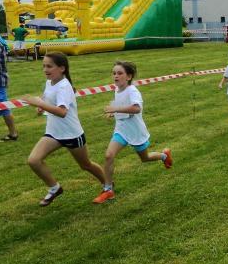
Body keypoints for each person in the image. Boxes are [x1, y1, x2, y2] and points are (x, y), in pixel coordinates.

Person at [21, 52, 107, 206]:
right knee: (34, 160)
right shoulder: (50, 82)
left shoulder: (64, 86)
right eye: (44, 66)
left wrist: (39, 103)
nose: (45, 69)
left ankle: (107, 186)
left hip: (72, 135)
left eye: (49, 66)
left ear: (62, 68)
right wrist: (41, 105)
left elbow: (62, 112)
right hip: (54, 133)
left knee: (85, 165)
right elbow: (48, 97)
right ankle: (55, 188)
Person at [93, 61, 173, 204]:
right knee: (109, 155)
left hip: (135, 131)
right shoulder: (117, 89)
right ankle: (108, 190)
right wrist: (113, 111)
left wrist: (115, 109)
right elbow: (121, 104)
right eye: (114, 73)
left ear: (129, 76)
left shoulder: (133, 91)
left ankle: (164, 156)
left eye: (120, 73)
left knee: (145, 158)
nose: (116, 76)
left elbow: (136, 108)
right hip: (121, 130)